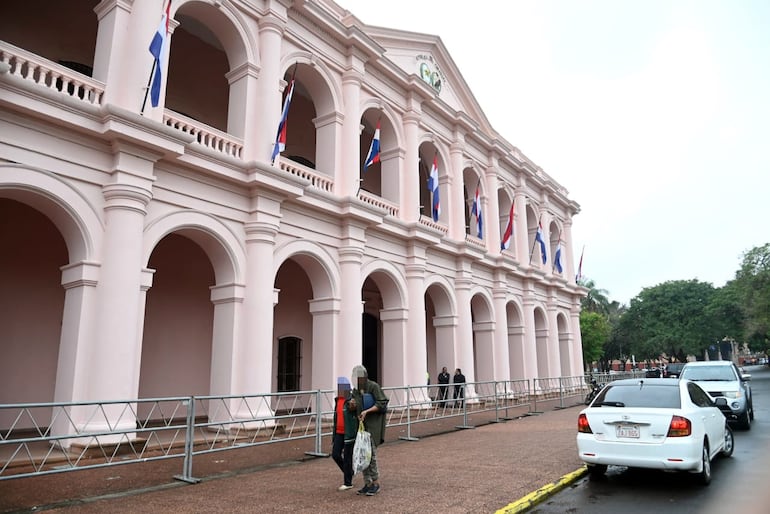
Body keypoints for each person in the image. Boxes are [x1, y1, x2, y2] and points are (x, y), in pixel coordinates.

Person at [350, 365, 389, 496]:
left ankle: (376, 482)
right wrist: (352, 405)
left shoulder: (373, 386)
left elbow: (382, 402)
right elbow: (352, 404)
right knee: (363, 454)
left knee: (370, 455)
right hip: (361, 427)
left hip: (373, 426)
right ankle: (367, 483)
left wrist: (367, 411)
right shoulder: (355, 390)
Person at [331, 377, 357, 491]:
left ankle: (348, 482)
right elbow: (336, 418)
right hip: (338, 432)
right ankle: (349, 472)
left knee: (347, 457)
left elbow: (355, 411)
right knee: (335, 454)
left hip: (348, 433)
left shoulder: (351, 400)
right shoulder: (338, 400)